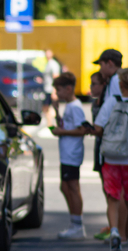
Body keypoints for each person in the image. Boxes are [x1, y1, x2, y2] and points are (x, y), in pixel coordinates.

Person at [92, 68, 128, 251]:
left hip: (112, 157)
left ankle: (114, 231)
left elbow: (98, 128)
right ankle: (124, 234)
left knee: (114, 197)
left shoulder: (111, 102)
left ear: (120, 85)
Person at [50, 72, 88, 240]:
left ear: (68, 88)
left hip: (72, 154)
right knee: (65, 187)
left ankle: (77, 226)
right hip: (67, 154)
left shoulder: (75, 107)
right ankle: (75, 223)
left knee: (72, 187)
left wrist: (61, 131)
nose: (57, 93)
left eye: (58, 90)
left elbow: (82, 130)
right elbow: (67, 126)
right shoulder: (69, 106)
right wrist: (57, 113)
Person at [89, 72, 112, 241]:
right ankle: (113, 224)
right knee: (107, 189)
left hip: (109, 148)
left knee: (113, 192)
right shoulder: (94, 102)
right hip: (99, 148)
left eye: (94, 84)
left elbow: (102, 127)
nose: (91, 88)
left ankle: (116, 226)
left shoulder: (108, 102)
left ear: (103, 85)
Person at [42, 49, 61, 126]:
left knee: (51, 108)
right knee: (47, 108)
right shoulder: (48, 63)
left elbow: (55, 77)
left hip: (51, 90)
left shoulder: (53, 64)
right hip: (47, 89)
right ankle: (49, 124)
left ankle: (52, 124)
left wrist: (54, 91)